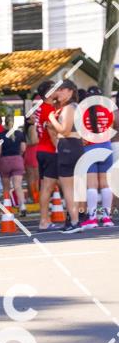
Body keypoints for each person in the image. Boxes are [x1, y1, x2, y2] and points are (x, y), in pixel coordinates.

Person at [47, 79, 83, 233]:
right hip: (75, 146)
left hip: (68, 146)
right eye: (58, 90)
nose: (58, 92)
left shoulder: (69, 108)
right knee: (73, 187)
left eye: (62, 89)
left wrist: (52, 118)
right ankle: (74, 220)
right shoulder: (75, 107)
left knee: (68, 188)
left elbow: (65, 130)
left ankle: (74, 221)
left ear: (70, 91)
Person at [80, 85, 114, 228]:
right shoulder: (107, 111)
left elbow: (80, 134)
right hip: (106, 147)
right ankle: (106, 218)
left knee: (92, 186)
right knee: (106, 185)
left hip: (89, 148)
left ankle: (92, 219)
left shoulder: (82, 112)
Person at [32, 81, 59, 231]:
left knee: (45, 187)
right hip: (50, 151)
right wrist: (60, 149)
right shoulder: (49, 110)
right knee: (48, 188)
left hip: (41, 150)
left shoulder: (40, 108)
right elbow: (51, 131)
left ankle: (45, 219)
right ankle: (44, 221)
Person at [0, 114, 27, 215]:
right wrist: (18, 156)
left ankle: (6, 207)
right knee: (18, 186)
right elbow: (23, 149)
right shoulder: (20, 134)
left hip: (4, 161)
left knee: (6, 187)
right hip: (17, 160)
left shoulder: (0, 135)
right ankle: (22, 206)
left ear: (5, 123)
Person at [23, 112, 39, 203]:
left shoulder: (26, 128)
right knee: (35, 177)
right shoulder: (32, 127)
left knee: (30, 177)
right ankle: (35, 197)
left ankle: (30, 196)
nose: (35, 119)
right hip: (33, 152)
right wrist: (42, 139)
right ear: (28, 120)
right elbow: (34, 141)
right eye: (33, 118)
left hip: (28, 152)